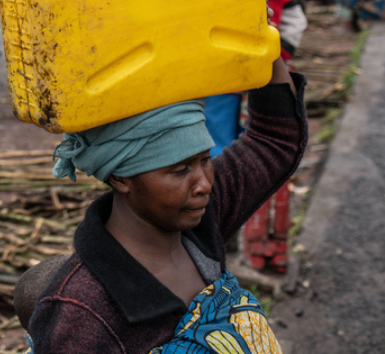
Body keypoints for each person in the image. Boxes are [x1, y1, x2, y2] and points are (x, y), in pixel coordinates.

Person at [21, 54, 304, 353]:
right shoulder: (84, 312)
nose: (205, 183)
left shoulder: (201, 221)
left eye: (205, 160)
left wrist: (264, 46)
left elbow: (274, 141)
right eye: (180, 170)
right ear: (120, 178)